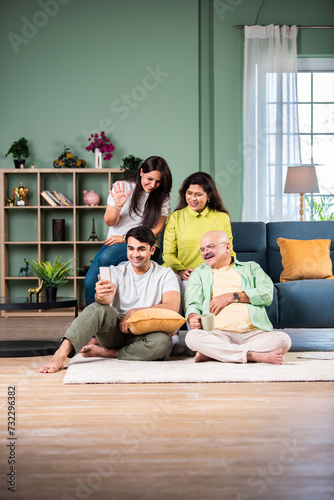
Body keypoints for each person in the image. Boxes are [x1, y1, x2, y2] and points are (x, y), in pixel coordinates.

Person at [40, 227, 181, 373]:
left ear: (152, 250)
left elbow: (172, 307)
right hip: (116, 332)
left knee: (163, 343)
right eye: (131, 248)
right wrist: (100, 295)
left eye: (141, 249)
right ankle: (60, 353)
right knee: (96, 308)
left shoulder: (165, 274)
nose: (135, 254)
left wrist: (134, 312)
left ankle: (109, 353)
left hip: (147, 334)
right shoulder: (115, 271)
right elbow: (104, 302)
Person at [184, 230, 291, 365]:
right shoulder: (198, 274)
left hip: (254, 333)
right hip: (217, 334)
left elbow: (267, 294)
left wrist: (232, 296)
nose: (205, 253)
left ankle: (218, 353)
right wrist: (193, 317)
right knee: (192, 337)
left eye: (210, 247)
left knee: (283, 340)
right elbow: (192, 304)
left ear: (227, 247)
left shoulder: (251, 268)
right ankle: (254, 356)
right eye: (202, 249)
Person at [162, 172, 236, 354]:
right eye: (189, 193)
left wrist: (212, 269)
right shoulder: (176, 217)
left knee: (191, 285)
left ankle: (197, 339)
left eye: (198, 194)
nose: (192, 199)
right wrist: (180, 270)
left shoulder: (221, 218)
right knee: (176, 283)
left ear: (209, 196)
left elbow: (229, 251)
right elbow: (168, 254)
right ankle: (174, 336)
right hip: (179, 271)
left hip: (209, 271)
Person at [84, 156, 172, 305]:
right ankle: (94, 318)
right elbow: (109, 221)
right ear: (141, 172)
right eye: (149, 179)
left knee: (106, 259)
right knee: (89, 282)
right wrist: (118, 205)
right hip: (113, 243)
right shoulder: (122, 187)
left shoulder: (162, 197)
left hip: (139, 244)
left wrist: (124, 238)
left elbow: (156, 230)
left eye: (158, 182)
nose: (152, 185)